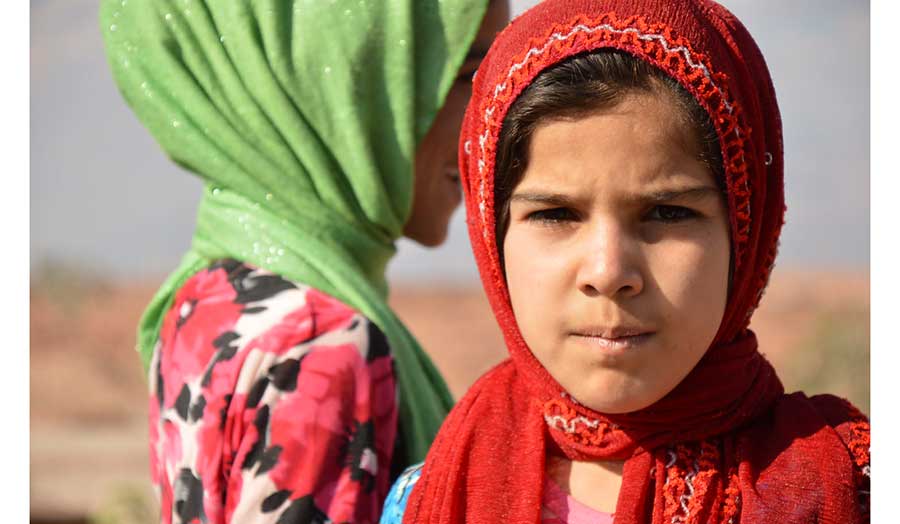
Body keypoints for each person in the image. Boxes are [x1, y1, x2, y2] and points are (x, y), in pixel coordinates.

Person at [381, 0, 870, 522]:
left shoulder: (846, 488)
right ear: (492, 234)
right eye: (556, 214)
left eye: (666, 212)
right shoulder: (429, 495)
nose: (608, 273)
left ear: (745, 233)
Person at [100, 0, 509, 522]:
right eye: (467, 77)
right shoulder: (323, 346)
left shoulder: (211, 291)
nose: (491, 123)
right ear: (346, 81)